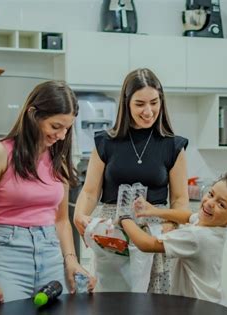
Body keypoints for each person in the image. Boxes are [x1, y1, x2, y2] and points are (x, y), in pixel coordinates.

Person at [0, 80, 96, 308]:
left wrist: (71, 262)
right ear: (33, 115)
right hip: (6, 254)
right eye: (56, 126)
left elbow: (61, 220)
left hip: (51, 253)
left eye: (67, 128)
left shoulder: (59, 162)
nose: (62, 136)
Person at [73, 68, 189, 293]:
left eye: (154, 102)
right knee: (112, 300)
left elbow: (179, 199)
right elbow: (89, 192)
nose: (148, 111)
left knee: (152, 304)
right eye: (140, 104)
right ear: (126, 103)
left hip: (153, 233)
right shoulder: (105, 142)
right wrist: (79, 215)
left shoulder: (173, 145)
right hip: (112, 233)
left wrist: (171, 224)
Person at [118, 172, 227, 305]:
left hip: (199, 307)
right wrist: (153, 210)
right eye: (211, 194)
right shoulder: (211, 226)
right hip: (210, 302)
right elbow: (187, 216)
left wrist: (123, 217)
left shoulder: (197, 236)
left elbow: (147, 244)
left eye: (221, 204)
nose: (209, 203)